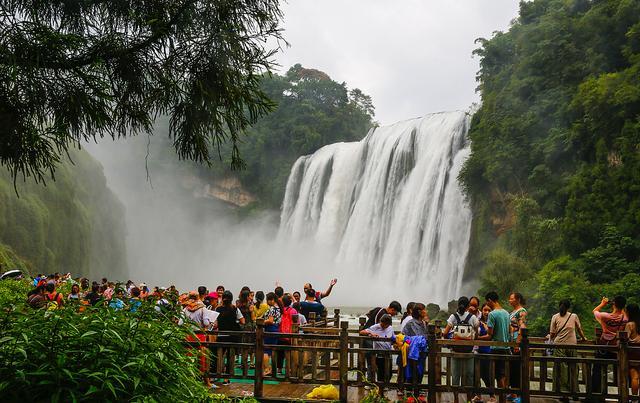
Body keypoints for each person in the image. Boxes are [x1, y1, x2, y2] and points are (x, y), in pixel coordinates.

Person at [443, 296, 478, 401]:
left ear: (458, 305)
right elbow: (477, 332)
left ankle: (456, 399)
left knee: (455, 376)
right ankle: (468, 398)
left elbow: (445, 333)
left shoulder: (453, 317)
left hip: (456, 350)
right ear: (468, 306)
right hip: (469, 351)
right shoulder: (472, 317)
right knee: (469, 376)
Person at [591, 295, 628, 395]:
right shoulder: (625, 318)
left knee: (597, 369)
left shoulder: (605, 316)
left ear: (613, 304)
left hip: (604, 347)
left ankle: (596, 394)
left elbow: (594, 311)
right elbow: (623, 314)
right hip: (617, 348)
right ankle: (623, 395)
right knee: (621, 370)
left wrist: (602, 303)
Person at [549, 300, 586, 396]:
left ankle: (562, 392)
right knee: (573, 368)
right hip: (572, 345)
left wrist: (549, 338)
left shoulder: (555, 317)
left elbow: (552, 333)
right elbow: (579, 329)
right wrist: (583, 338)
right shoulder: (573, 316)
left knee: (561, 369)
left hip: (559, 345)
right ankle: (574, 391)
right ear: (568, 307)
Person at [479, 292, 511, 402]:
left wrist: (477, 338)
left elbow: (489, 335)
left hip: (496, 348)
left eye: (487, 301)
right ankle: (503, 398)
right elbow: (509, 331)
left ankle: (501, 399)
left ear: (490, 300)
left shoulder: (492, 314)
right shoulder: (506, 313)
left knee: (495, 374)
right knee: (501, 375)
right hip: (506, 348)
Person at [183, 291, 215, 388]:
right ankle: (206, 382)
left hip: (188, 335)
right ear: (198, 297)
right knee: (202, 358)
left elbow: (180, 323)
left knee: (189, 357)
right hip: (200, 336)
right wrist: (210, 322)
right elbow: (205, 323)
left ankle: (189, 380)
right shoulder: (202, 308)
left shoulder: (185, 309)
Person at [360, 314, 394, 384]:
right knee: (380, 372)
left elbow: (393, 338)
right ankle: (380, 387)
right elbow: (362, 332)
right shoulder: (376, 327)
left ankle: (386, 385)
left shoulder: (390, 328)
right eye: (382, 324)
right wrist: (371, 333)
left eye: (385, 324)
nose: (383, 326)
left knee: (389, 372)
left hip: (388, 353)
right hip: (379, 353)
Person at [508, 292, 527, 394]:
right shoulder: (513, 312)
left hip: (516, 343)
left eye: (511, 299)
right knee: (512, 368)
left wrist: (517, 342)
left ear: (518, 299)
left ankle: (518, 394)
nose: (509, 300)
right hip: (511, 342)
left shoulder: (521, 311)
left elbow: (522, 327)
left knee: (516, 368)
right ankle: (513, 392)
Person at [474, 302, 493, 403]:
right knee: (476, 374)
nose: (487, 312)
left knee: (486, 375)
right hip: (478, 350)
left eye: (489, 310)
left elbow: (491, 336)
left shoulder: (492, 322)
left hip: (488, 351)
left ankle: (492, 396)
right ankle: (478, 395)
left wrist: (480, 337)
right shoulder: (478, 321)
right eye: (485, 310)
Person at [262, 292, 282, 376]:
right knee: (272, 350)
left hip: (270, 329)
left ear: (272, 300)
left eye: (268, 300)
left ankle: (267, 369)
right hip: (276, 329)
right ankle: (271, 369)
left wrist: (262, 321)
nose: (267, 302)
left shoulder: (272, 309)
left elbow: (270, 320)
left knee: (265, 351)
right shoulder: (279, 308)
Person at [625, 303, 640, 397]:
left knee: (635, 377)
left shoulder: (630, 324)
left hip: (634, 353)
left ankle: (634, 398)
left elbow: (624, 338)